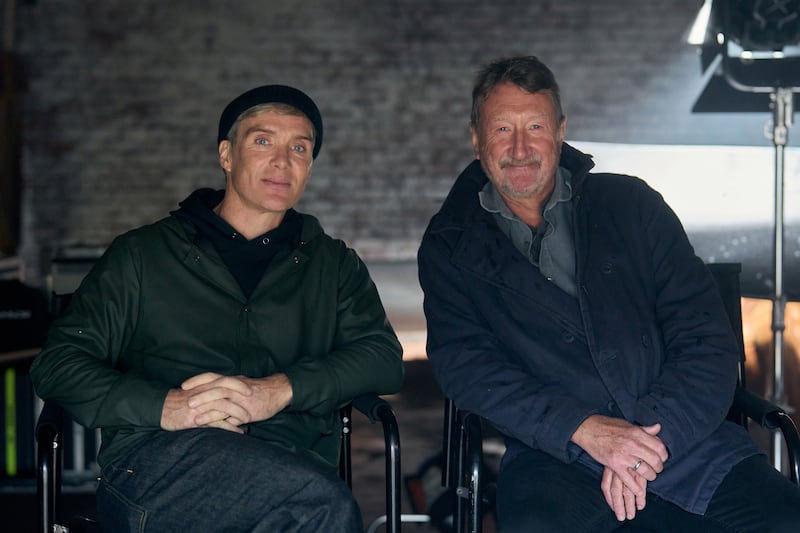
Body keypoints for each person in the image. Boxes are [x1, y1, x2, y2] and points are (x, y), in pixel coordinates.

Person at [417, 56, 800, 532]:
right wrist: (583, 430)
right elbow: (468, 366)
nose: (520, 147)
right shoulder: (451, 244)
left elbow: (705, 339)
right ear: (476, 138)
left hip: (681, 440)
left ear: (560, 131)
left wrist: (648, 439)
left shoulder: (632, 206)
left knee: (786, 518)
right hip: (554, 457)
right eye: (501, 129)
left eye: (535, 125)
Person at [31, 84, 404, 532]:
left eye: (299, 148)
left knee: (308, 503)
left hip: (290, 462)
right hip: (161, 463)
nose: (282, 161)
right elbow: (58, 365)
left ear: (309, 167)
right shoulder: (143, 255)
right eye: (263, 141)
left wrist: (279, 390)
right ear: (227, 155)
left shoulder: (333, 264)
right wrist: (167, 406)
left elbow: (382, 359)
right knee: (319, 507)